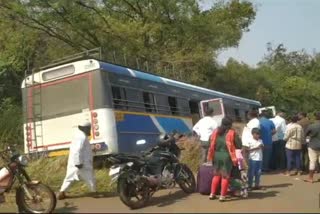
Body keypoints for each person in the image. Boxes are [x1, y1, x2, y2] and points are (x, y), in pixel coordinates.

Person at [58, 121, 97, 200]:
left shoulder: (81, 136)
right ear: (85, 128)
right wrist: (78, 163)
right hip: (81, 163)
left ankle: (61, 193)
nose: (89, 130)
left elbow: (83, 149)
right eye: (88, 128)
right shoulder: (81, 137)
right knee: (89, 177)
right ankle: (94, 192)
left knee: (70, 178)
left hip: (79, 162)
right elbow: (77, 150)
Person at [207, 117, 241, 202]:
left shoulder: (215, 132)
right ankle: (222, 196)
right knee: (225, 176)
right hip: (226, 156)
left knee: (216, 175)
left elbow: (209, 143)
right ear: (230, 124)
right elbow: (239, 145)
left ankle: (212, 194)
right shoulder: (231, 133)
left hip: (216, 155)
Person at [304, 112, 320, 183]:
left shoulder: (312, 126)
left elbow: (305, 134)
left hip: (313, 145)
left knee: (312, 161)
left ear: (315, 117)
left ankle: (310, 178)